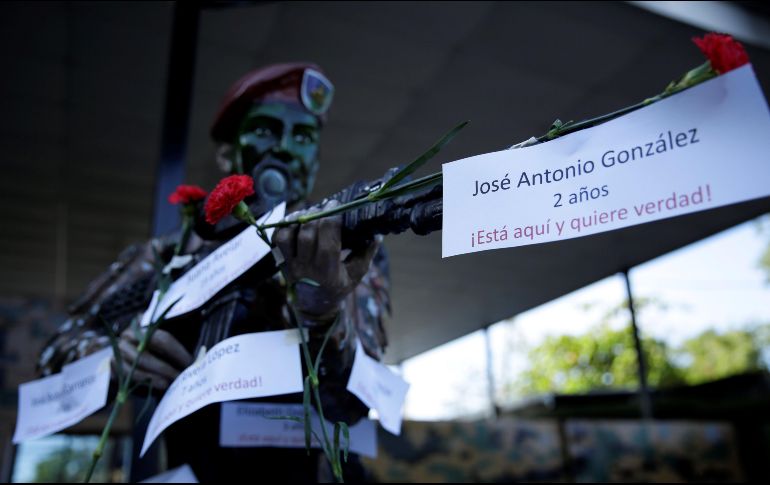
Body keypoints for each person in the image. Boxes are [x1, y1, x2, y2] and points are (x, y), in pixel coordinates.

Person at [37, 62, 390, 482]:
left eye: (303, 137)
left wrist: (324, 310)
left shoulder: (346, 243)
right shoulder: (169, 253)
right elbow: (55, 355)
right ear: (227, 151)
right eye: (265, 130)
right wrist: (109, 361)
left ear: (315, 159)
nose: (284, 148)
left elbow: (362, 390)